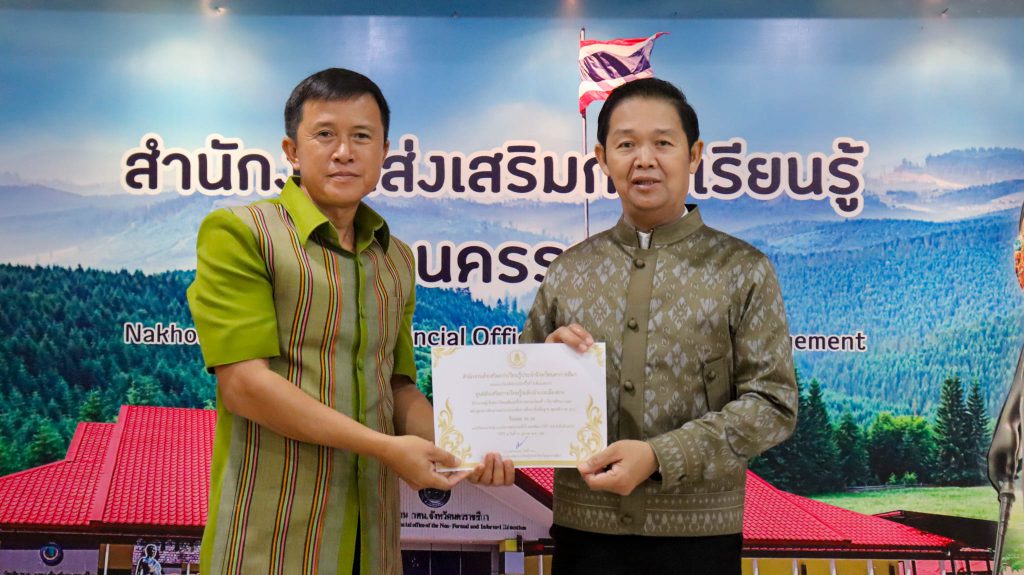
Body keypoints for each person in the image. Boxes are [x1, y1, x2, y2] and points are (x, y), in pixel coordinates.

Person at [188, 68, 511, 575]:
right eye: (325, 134)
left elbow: (396, 387)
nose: (344, 152)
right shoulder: (241, 233)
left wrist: (466, 449)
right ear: (292, 150)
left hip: (373, 543)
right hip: (269, 541)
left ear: (384, 152)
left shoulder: (396, 258)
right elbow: (245, 386)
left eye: (362, 136)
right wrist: (386, 448)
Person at [521, 77, 799, 575]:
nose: (644, 160)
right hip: (584, 537)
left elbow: (773, 405)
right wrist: (546, 362)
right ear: (603, 159)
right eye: (626, 144)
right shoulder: (568, 270)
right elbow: (519, 399)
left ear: (694, 155)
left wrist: (660, 456)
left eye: (663, 143)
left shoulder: (744, 270)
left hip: (699, 542)